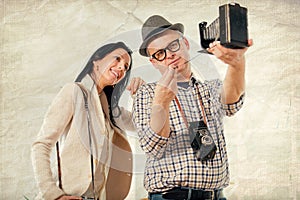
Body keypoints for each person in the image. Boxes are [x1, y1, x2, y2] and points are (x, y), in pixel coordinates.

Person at [132, 15, 253, 200]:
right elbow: (152, 146)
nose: (170, 55)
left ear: (186, 43)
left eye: (173, 45)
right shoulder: (147, 93)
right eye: (159, 54)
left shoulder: (210, 88)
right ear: (153, 62)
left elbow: (231, 103)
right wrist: (161, 103)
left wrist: (236, 63)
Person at [32, 41, 144, 200]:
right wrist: (53, 194)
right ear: (96, 61)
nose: (121, 67)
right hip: (67, 195)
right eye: (117, 59)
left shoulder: (110, 109)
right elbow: (42, 144)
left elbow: (142, 124)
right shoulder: (74, 91)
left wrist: (141, 96)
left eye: (126, 67)